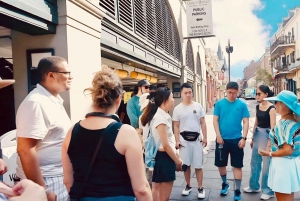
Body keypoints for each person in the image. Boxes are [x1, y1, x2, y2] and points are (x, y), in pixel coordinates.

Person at [62, 66, 152, 201]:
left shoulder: (72, 131)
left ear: (94, 98)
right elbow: (141, 189)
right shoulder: (126, 132)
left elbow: (68, 181)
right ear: (118, 98)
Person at [16, 56, 72, 201]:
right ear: (51, 75)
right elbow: (25, 150)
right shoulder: (37, 102)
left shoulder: (51, 100)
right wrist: (43, 190)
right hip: (47, 180)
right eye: (67, 73)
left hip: (56, 178)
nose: (70, 77)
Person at [141, 87, 182, 201]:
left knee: (158, 193)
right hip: (164, 159)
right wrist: (178, 161)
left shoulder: (162, 115)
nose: (173, 100)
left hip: (162, 158)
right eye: (172, 97)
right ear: (165, 100)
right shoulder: (161, 118)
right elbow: (166, 145)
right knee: (164, 198)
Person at [259, 90, 300, 201]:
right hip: (292, 163)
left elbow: (287, 150)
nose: (274, 105)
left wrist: (269, 153)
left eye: (276, 102)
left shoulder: (284, 125)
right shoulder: (296, 121)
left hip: (283, 165)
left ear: (283, 105)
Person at [213, 82, 250, 201]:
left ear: (238, 92)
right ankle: (225, 184)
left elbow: (246, 122)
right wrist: (218, 135)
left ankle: (237, 190)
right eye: (229, 93)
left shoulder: (242, 105)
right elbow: (215, 120)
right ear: (226, 91)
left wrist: (244, 138)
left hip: (237, 140)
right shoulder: (219, 104)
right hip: (222, 139)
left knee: (237, 165)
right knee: (221, 164)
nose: (232, 95)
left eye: (234, 93)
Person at [173, 83, 207, 199]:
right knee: (186, 165)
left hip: (197, 139)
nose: (188, 95)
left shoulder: (198, 106)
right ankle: (188, 185)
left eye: (190, 92)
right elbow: (176, 126)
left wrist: (205, 137)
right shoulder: (177, 109)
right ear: (182, 94)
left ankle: (200, 187)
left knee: (198, 165)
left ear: (192, 93)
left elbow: (203, 122)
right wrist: (177, 140)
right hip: (184, 141)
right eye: (185, 93)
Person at [243, 85, 275, 200]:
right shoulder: (258, 106)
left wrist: (269, 144)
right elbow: (256, 121)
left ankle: (268, 191)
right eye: (256, 93)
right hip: (257, 135)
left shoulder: (272, 108)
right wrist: (252, 138)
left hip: (267, 136)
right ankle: (254, 186)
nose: (257, 96)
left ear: (266, 94)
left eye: (259, 93)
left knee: (266, 165)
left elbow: (273, 128)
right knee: (254, 162)